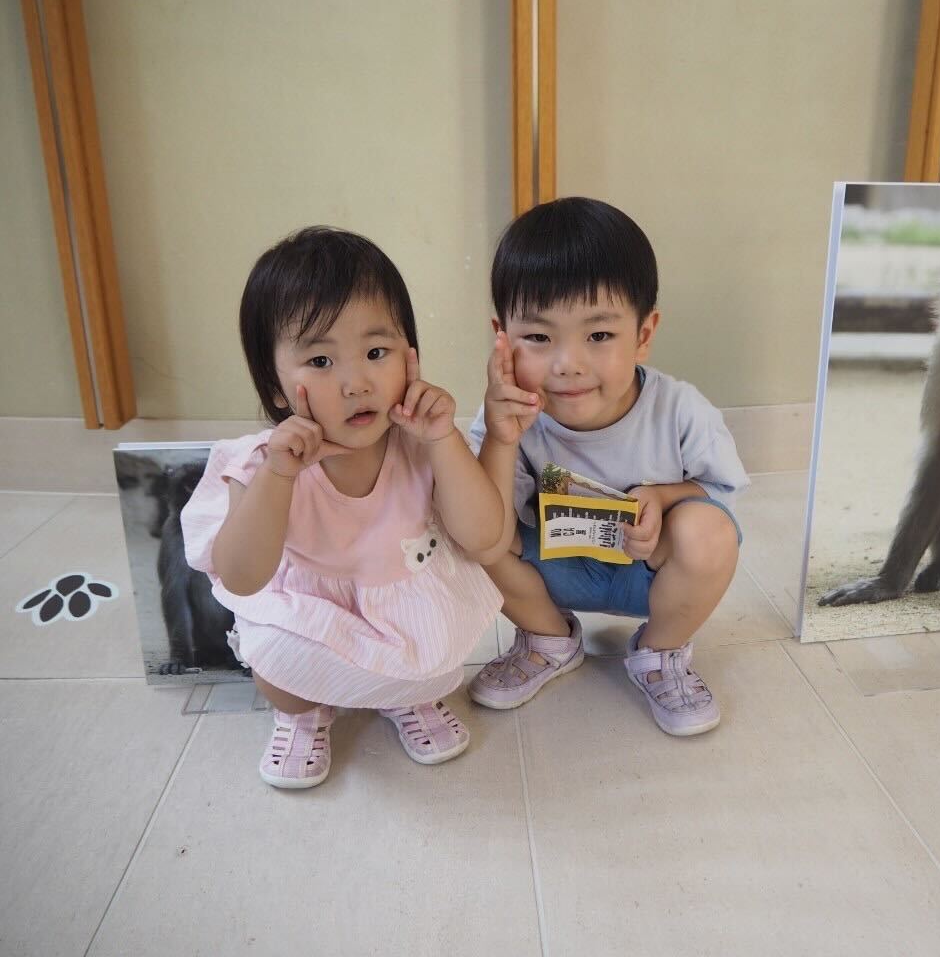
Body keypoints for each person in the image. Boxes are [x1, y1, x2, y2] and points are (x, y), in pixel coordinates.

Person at [182, 226, 508, 788]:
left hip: (403, 605)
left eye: (376, 353)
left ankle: (402, 700)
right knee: (275, 661)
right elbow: (240, 577)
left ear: (410, 359)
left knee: (436, 666)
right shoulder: (265, 463)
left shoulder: (422, 444)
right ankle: (304, 714)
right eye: (320, 361)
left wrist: (444, 438)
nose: (356, 382)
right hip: (314, 610)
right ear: (277, 386)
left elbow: (486, 541)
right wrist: (280, 476)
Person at [467, 197, 749, 736]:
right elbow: (486, 535)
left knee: (710, 534)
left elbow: (721, 495)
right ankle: (548, 638)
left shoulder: (680, 410)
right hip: (552, 571)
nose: (567, 364)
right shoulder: (508, 415)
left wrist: (665, 498)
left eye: (598, 336)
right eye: (538, 337)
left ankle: (660, 653)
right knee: (465, 521)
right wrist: (502, 439)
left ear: (643, 335)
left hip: (649, 574)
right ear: (502, 338)